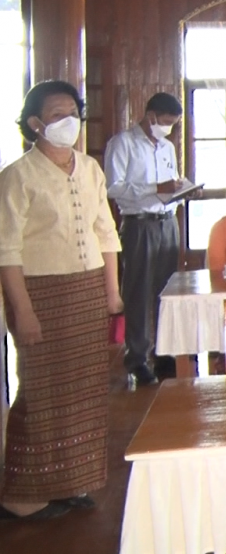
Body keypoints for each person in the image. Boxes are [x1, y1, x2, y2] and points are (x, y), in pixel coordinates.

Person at [0, 81, 122, 520]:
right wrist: (23, 311)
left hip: (87, 290)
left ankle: (70, 482)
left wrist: (111, 292)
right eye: (57, 114)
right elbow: (6, 250)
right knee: (41, 394)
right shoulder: (17, 175)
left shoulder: (89, 168)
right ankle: (21, 496)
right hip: (40, 293)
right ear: (35, 123)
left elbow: (106, 232)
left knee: (83, 392)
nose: (69, 121)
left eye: (73, 112)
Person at [104, 91, 194, 386]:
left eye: (173, 123)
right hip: (139, 225)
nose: (168, 128)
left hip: (167, 222)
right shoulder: (122, 143)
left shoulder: (167, 147)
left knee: (166, 291)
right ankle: (138, 358)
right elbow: (113, 187)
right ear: (151, 115)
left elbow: (170, 183)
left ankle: (164, 351)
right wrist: (155, 187)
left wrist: (182, 191)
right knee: (139, 292)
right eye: (166, 121)